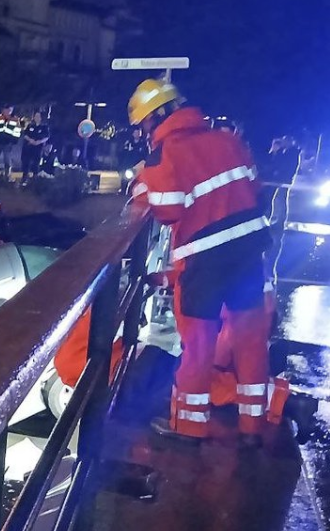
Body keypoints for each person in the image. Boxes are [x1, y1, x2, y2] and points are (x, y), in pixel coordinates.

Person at [127, 78, 271, 449]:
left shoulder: (164, 155)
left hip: (204, 263)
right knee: (250, 339)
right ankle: (252, 427)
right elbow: (252, 188)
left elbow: (169, 209)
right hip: (248, 253)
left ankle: (189, 428)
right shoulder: (228, 139)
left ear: (157, 117)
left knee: (199, 346)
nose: (144, 132)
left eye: (144, 124)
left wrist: (142, 182)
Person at [261, 136, 300, 290]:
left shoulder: (291, 153)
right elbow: (270, 165)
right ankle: (273, 220)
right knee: (273, 202)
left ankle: (277, 222)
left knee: (280, 202)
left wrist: (277, 158)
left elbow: (285, 168)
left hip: (281, 182)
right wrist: (274, 152)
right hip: (275, 181)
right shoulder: (281, 152)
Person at [0, 105, 22, 179]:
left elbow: (17, 131)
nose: (8, 111)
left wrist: (13, 141)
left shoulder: (15, 119)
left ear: (12, 110)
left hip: (8, 143)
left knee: (7, 160)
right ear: (3, 110)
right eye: (6, 110)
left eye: (10, 110)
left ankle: (7, 175)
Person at [21, 111, 50, 185]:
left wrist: (39, 142)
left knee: (36, 164)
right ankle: (24, 179)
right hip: (28, 147)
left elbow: (46, 137)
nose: (36, 118)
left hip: (38, 148)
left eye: (38, 116)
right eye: (35, 116)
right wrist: (30, 140)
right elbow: (25, 134)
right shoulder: (30, 125)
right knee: (26, 163)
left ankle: (35, 180)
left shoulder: (44, 127)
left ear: (41, 118)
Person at [120, 128, 148, 194]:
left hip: (139, 164)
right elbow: (124, 153)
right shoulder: (129, 143)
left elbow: (145, 154)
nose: (137, 134)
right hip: (129, 164)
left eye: (138, 132)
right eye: (136, 132)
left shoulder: (143, 143)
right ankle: (124, 190)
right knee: (126, 177)